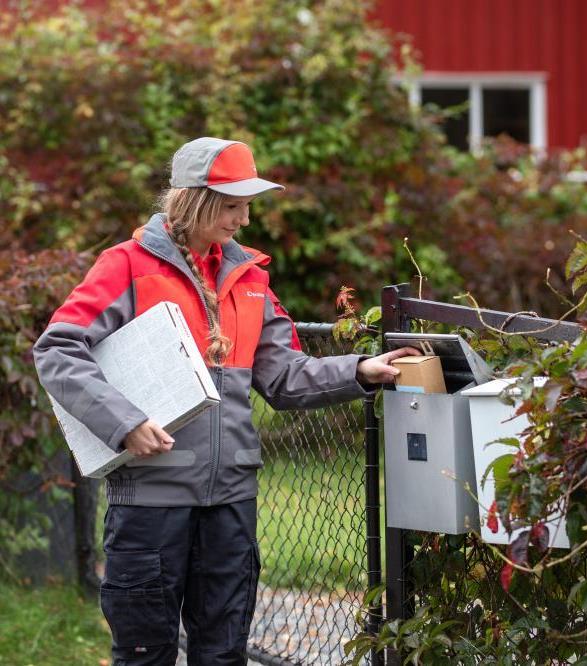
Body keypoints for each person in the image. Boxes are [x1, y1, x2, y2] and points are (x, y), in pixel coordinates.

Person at [33, 137, 420, 666]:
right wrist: (125, 422)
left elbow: (285, 377)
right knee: (145, 655)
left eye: (248, 206)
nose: (243, 220)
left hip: (230, 507)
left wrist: (360, 370)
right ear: (194, 200)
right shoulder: (124, 266)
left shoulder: (252, 279)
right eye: (232, 206)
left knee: (223, 655)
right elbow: (57, 350)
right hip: (150, 506)